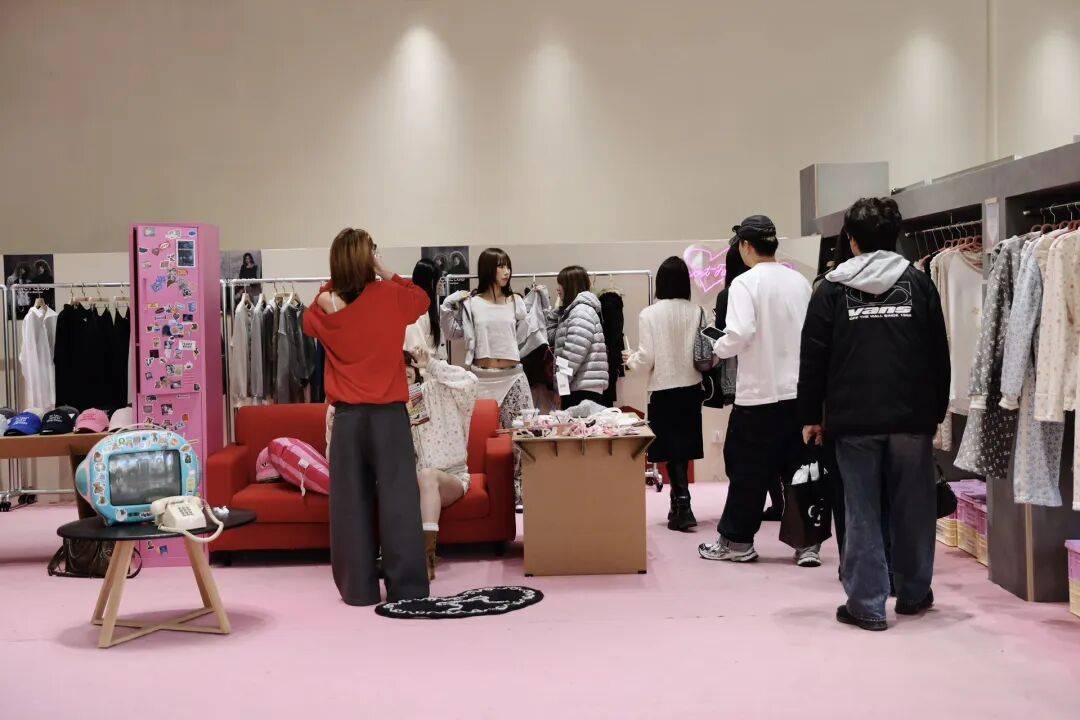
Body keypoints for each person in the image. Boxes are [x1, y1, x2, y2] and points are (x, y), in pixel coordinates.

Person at [798, 197, 949, 631]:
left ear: (851, 239)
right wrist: (935, 409)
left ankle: (866, 604)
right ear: (896, 236)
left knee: (860, 510)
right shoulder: (919, 283)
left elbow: (814, 358)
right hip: (911, 419)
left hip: (853, 420)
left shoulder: (831, 289)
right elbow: (938, 354)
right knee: (914, 508)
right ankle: (913, 593)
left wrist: (811, 415)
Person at [302, 227, 430, 606]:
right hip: (389, 417)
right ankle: (406, 588)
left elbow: (310, 319)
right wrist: (382, 269)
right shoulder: (390, 296)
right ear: (368, 257)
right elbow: (421, 298)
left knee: (350, 505)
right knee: (400, 501)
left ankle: (358, 588)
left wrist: (336, 282)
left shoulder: (324, 306)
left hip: (347, 420)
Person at [698, 215, 814, 565]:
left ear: (747, 247)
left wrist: (718, 346)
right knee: (801, 470)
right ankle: (807, 543)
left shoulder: (745, 284)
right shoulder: (799, 281)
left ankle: (737, 542)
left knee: (747, 471)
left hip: (758, 393)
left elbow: (740, 333)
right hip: (798, 391)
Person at [441, 247, 534, 504]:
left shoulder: (515, 301)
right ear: (487, 269)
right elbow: (452, 333)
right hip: (481, 379)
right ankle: (488, 491)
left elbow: (524, 336)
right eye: (500, 266)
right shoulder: (471, 303)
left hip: (513, 376)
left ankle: (520, 493)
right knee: (480, 437)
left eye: (508, 266)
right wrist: (447, 307)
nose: (507, 271)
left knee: (521, 435)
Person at [624, 256, 702, 532]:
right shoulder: (697, 311)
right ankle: (680, 503)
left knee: (670, 448)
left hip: (663, 386)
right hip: (692, 386)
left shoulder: (649, 314)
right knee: (683, 447)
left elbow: (646, 358)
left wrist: (631, 361)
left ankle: (681, 503)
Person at [710, 244, 784, 520]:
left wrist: (718, 346)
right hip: (783, 379)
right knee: (778, 447)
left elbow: (731, 335)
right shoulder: (789, 284)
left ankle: (743, 521)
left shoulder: (733, 291)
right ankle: (780, 503)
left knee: (742, 453)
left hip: (746, 380)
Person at [405, 347, 477, 580]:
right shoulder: (399, 406)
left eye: (407, 369)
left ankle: (427, 557)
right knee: (421, 476)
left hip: (452, 476)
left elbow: (470, 382)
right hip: (415, 481)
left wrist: (431, 364)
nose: (404, 373)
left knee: (428, 475)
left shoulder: (438, 390)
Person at [547, 265, 609, 408]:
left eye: (561, 284)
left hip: (581, 390)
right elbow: (551, 338)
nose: (557, 288)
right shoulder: (574, 312)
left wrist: (561, 388)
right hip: (581, 386)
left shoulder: (580, 312)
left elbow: (572, 356)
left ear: (570, 285)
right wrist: (557, 310)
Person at [406, 258, 446, 359]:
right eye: (438, 280)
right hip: (426, 366)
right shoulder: (417, 313)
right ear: (430, 282)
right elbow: (418, 354)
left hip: (435, 364)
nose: (441, 284)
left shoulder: (429, 308)